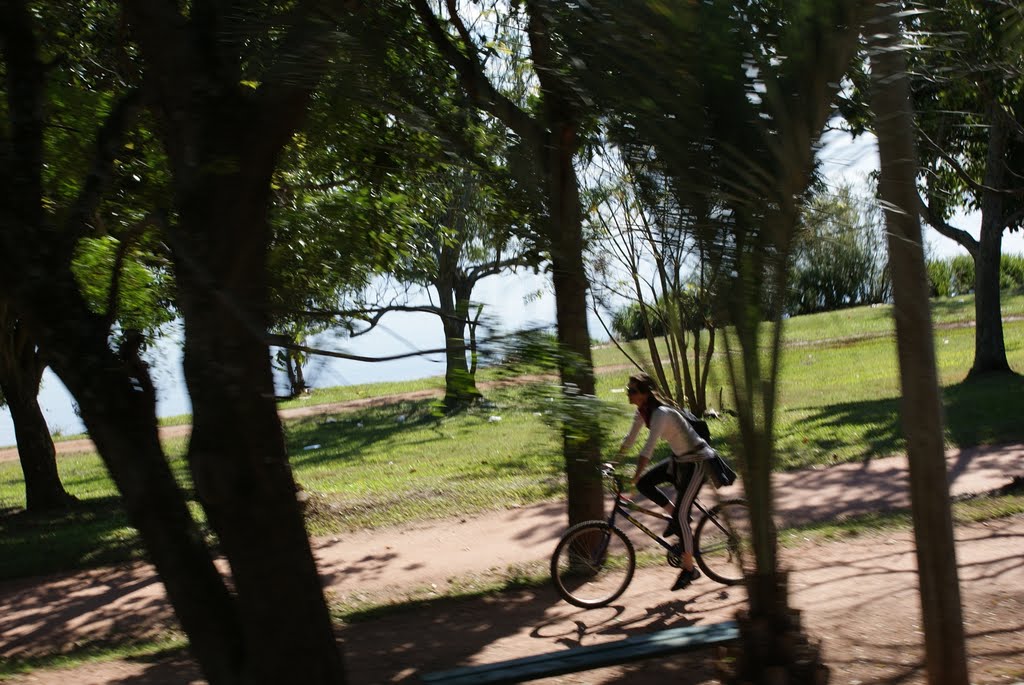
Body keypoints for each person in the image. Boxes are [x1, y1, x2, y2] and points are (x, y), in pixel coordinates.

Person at [617, 372, 714, 591]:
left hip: (698, 462)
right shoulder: (643, 412)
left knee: (680, 516)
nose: (628, 393)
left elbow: (647, 450)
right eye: (628, 390)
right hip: (679, 461)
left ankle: (690, 570)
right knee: (645, 484)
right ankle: (678, 516)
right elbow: (630, 440)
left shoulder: (660, 414)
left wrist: (631, 479)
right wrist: (613, 463)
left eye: (632, 391)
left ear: (643, 394)